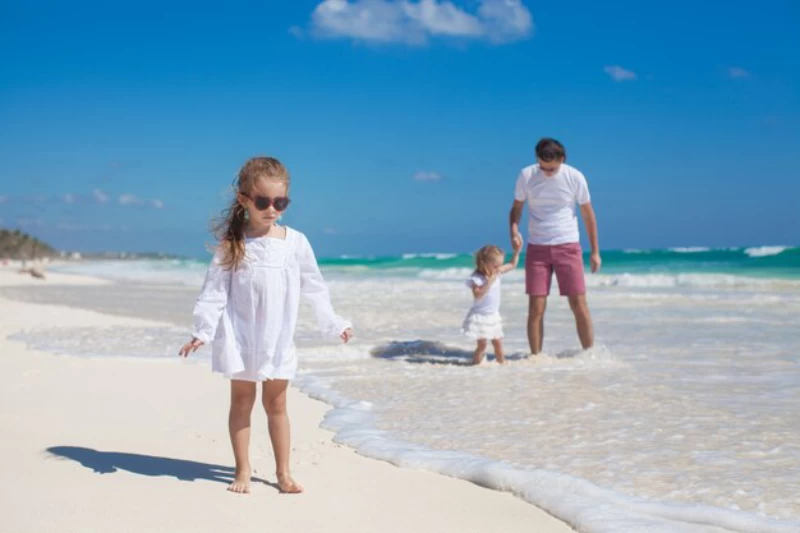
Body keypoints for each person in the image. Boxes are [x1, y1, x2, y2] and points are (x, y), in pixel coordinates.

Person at [178, 156, 353, 495]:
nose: (272, 209)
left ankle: (283, 472)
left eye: (280, 202)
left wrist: (333, 322)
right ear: (244, 199)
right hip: (240, 337)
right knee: (242, 402)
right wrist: (202, 331)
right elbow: (214, 291)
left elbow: (314, 287)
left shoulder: (295, 242)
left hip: (278, 339)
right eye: (263, 202)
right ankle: (242, 469)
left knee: (277, 405)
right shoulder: (233, 243)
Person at [509, 138, 601, 355]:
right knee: (536, 307)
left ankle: (590, 356)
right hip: (537, 248)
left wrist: (595, 251)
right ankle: (536, 359)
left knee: (579, 304)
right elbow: (516, 207)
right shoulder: (526, 175)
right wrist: (513, 230)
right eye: (543, 168)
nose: (548, 173)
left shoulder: (575, 176)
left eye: (552, 169)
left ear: (562, 159)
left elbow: (588, 214)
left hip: (568, 245)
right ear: (537, 159)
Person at [462, 243, 521, 365]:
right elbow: (477, 295)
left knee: (498, 342)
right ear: (484, 263)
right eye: (496, 266)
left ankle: (502, 363)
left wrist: (516, 252)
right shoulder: (477, 278)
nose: (499, 268)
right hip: (481, 316)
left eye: (500, 265)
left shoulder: (497, 272)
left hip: (493, 315)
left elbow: (512, 265)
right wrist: (489, 283)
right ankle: (476, 365)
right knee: (482, 345)